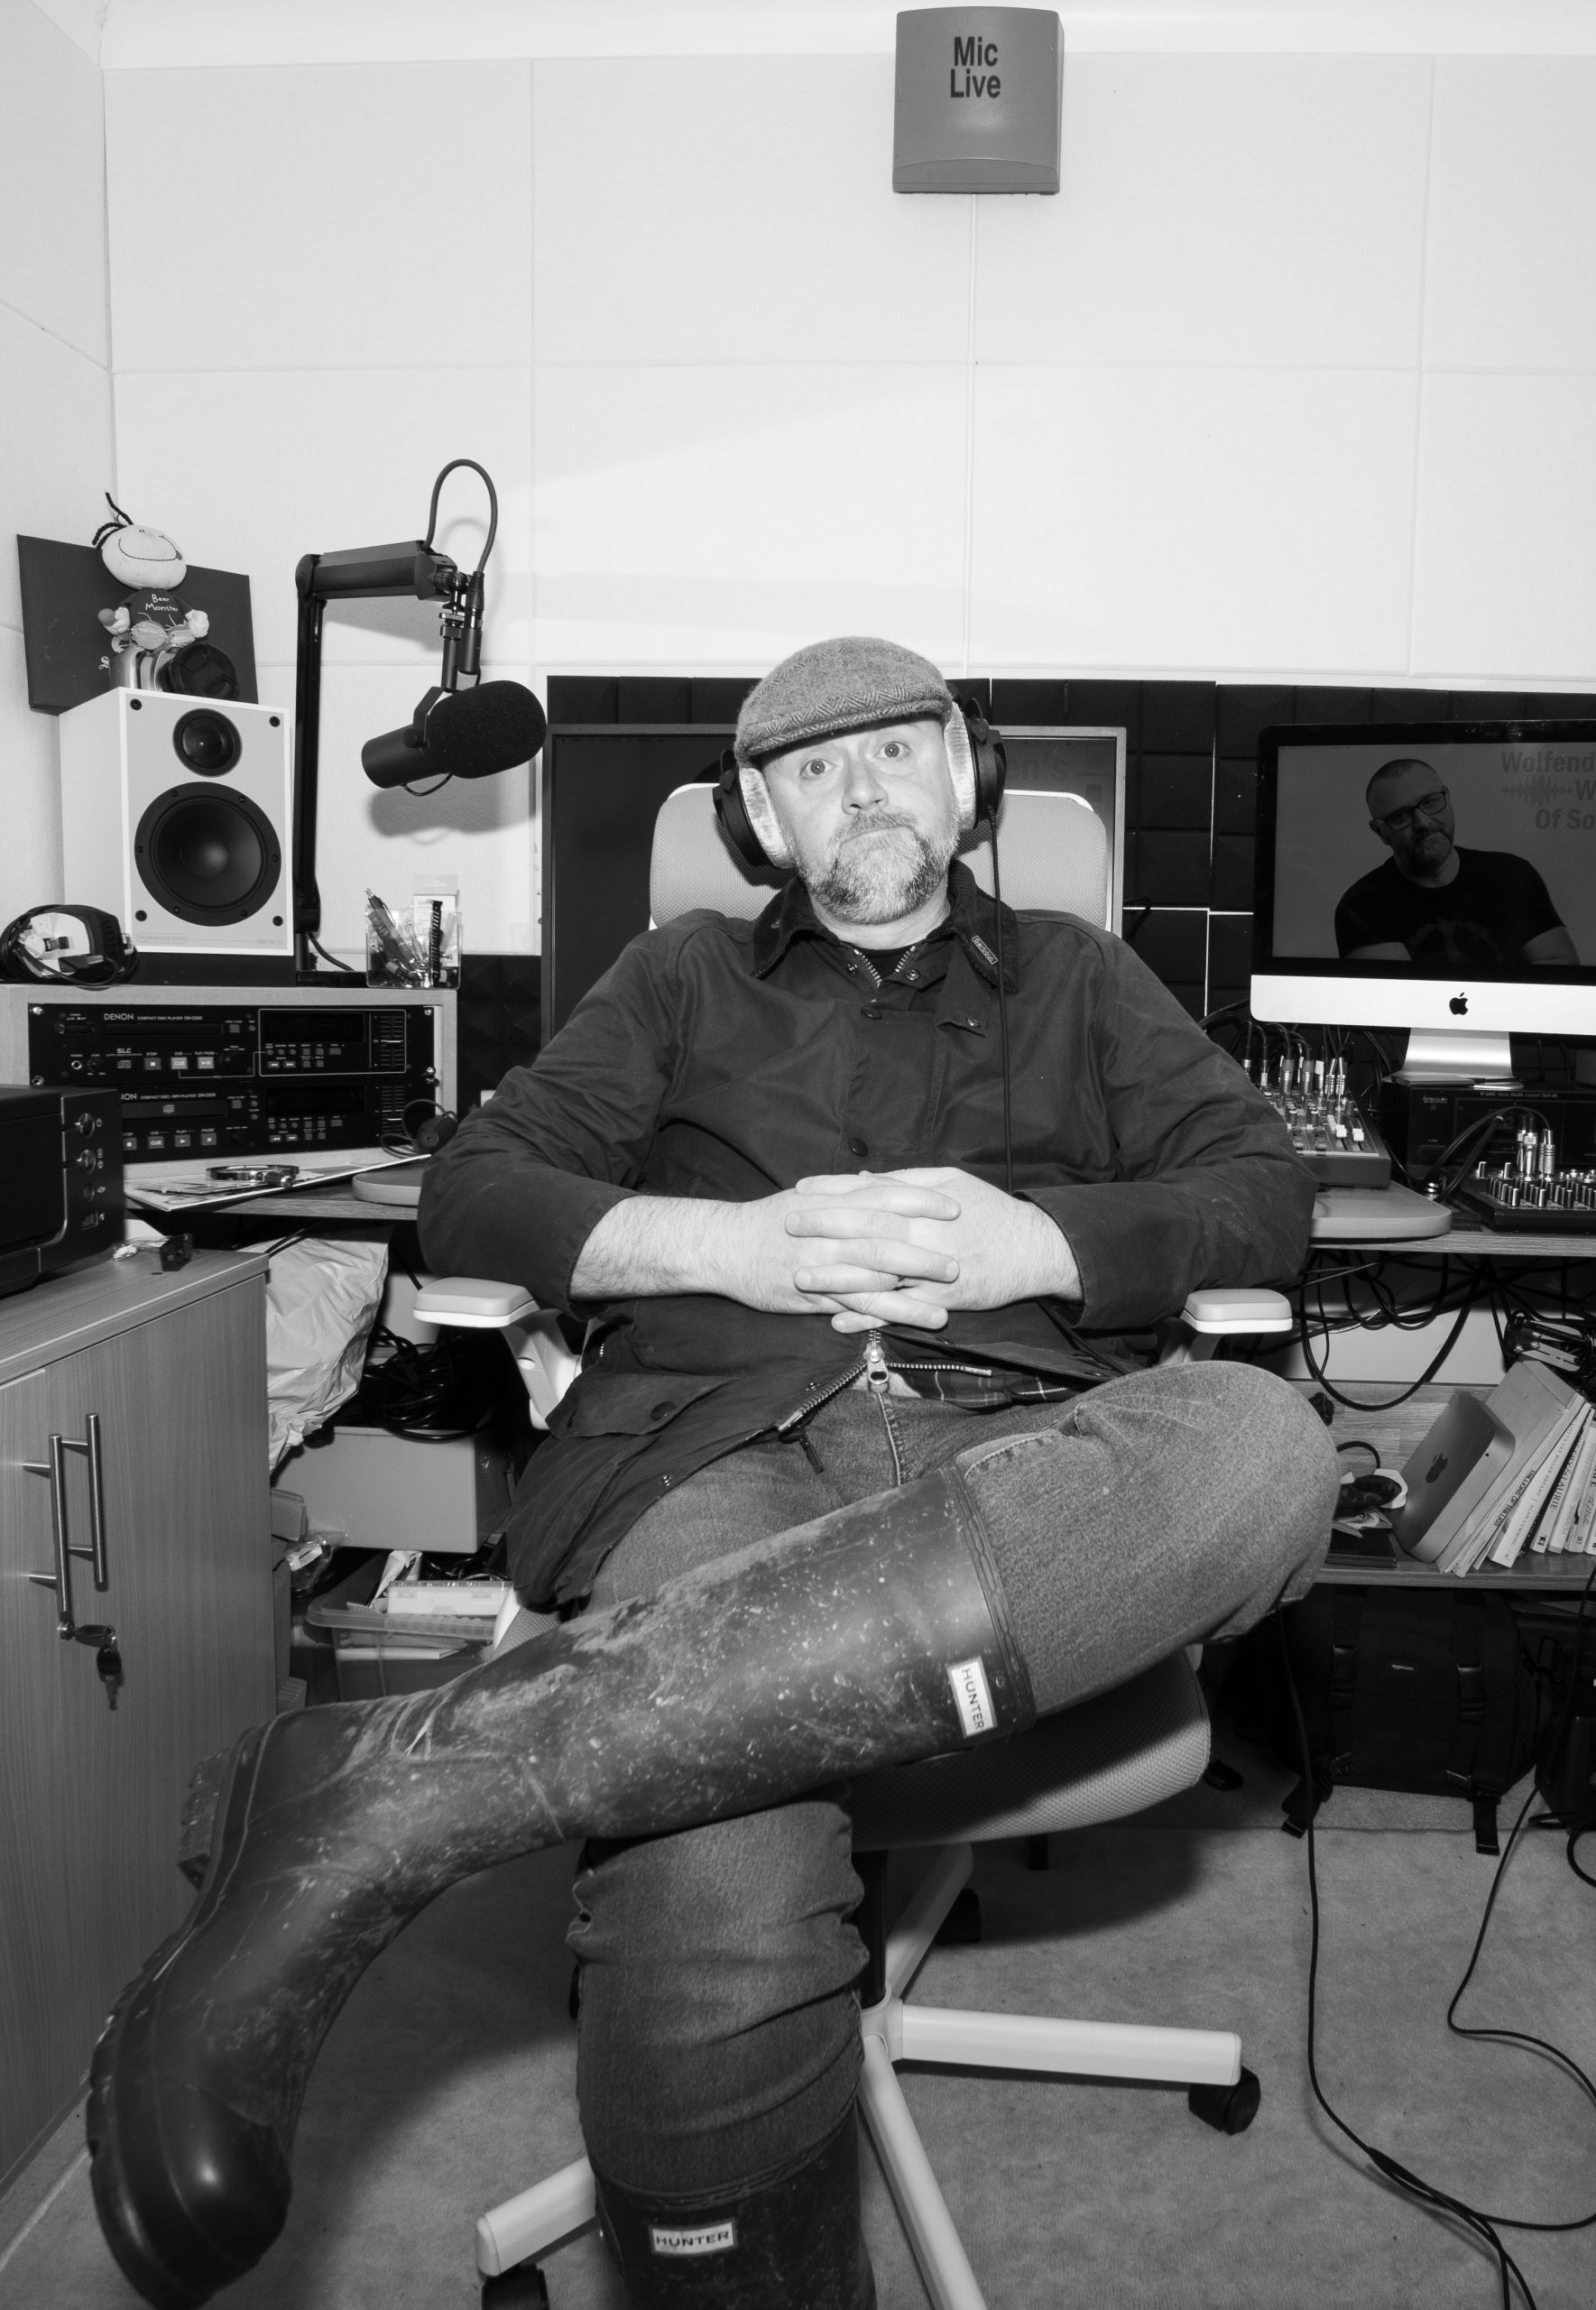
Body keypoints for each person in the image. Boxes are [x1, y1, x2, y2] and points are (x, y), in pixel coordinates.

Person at [87, 638, 1339, 2310]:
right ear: (759, 813)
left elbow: (1264, 1193)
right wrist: (727, 1246)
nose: (862, 791)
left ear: (961, 779)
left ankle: (405, 1789)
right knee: (710, 1853)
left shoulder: (1080, 973)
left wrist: (1030, 1237)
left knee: (1264, 1453)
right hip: (720, 1438)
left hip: (1030, 1445)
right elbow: (475, 1193)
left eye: (894, 752)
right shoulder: (679, 976)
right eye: (812, 769)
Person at [1334, 755, 1579, 969]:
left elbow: (1561, 967)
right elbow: (1397, 1001)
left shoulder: (1512, 875)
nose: (1424, 823)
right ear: (1381, 832)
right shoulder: (1362, 905)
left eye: (1430, 802)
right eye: (1400, 816)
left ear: (1447, 798)